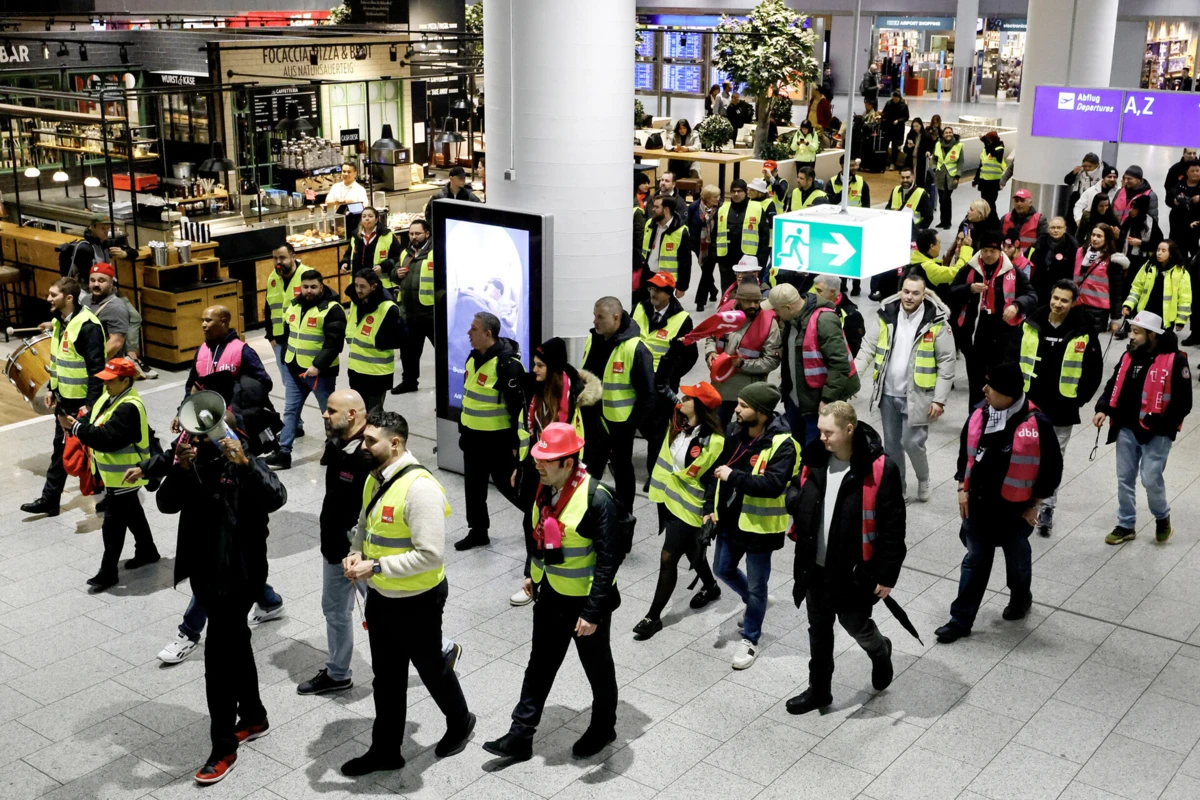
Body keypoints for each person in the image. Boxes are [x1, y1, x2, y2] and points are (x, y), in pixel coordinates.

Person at [340, 411, 475, 776]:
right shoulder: (375, 479)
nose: (363, 446)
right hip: (382, 597)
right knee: (387, 676)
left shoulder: (420, 489)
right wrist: (356, 552)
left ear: (395, 443)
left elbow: (431, 554)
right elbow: (363, 525)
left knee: (431, 668)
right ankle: (386, 749)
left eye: (371, 441)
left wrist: (377, 567)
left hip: (418, 600)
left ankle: (461, 721)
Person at [156, 409, 287, 783]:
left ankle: (223, 746)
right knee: (237, 643)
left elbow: (277, 496)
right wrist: (179, 468)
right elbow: (166, 503)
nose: (196, 440)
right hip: (207, 575)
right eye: (194, 435)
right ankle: (254, 716)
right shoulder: (191, 461)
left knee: (218, 659)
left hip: (241, 575)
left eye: (203, 434)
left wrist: (245, 464)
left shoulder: (243, 458)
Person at [483, 422, 625, 762]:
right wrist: (532, 576)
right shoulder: (543, 490)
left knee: (597, 667)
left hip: (586, 605)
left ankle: (604, 726)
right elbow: (538, 541)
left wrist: (592, 612)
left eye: (548, 460)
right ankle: (520, 735)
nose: (539, 464)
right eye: (538, 458)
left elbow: (608, 561)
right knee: (540, 666)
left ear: (569, 462)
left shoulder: (597, 499)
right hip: (551, 596)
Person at [784, 401, 906, 714]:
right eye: (821, 431)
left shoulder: (879, 469)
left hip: (853, 573)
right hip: (815, 566)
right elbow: (798, 491)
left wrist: (887, 575)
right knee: (819, 632)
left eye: (828, 432)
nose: (821, 437)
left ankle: (880, 651)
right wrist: (795, 502)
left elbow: (893, 527)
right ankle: (819, 690)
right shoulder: (815, 458)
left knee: (857, 626)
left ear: (849, 429)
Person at [935, 361, 1062, 644]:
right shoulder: (980, 415)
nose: (983, 391)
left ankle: (1020, 599)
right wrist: (961, 489)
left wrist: (1035, 504)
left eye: (989, 387)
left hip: (1016, 510)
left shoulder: (1037, 423)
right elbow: (963, 456)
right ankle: (960, 620)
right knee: (975, 562)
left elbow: (1052, 469)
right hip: (979, 506)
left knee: (1017, 561)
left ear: (1007, 393)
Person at [705, 383, 799, 670]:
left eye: (744, 406)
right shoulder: (735, 431)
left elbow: (772, 485)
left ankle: (751, 639)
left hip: (760, 527)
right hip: (730, 520)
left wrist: (733, 476)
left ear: (761, 412)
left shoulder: (784, 445)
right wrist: (709, 507)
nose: (736, 408)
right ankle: (754, 603)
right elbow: (717, 469)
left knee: (758, 586)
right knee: (722, 569)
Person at [509, 338, 600, 606]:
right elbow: (528, 432)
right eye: (534, 364)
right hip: (539, 466)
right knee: (533, 521)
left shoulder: (576, 399)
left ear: (554, 367)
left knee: (550, 524)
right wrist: (521, 466)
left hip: (564, 471)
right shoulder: (534, 392)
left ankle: (541, 580)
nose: (534, 369)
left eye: (540, 365)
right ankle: (535, 579)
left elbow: (588, 442)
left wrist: (573, 475)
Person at [635, 382, 726, 639]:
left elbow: (703, 477)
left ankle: (652, 617)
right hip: (667, 501)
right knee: (692, 551)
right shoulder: (677, 426)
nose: (681, 400)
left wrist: (710, 513)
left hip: (690, 508)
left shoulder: (714, 441)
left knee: (668, 557)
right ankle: (710, 587)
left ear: (699, 406)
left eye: (688, 397)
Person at [58, 357, 158, 590]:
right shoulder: (111, 397)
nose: (105, 385)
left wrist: (76, 428)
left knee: (112, 524)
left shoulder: (129, 407)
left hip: (126, 474)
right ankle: (147, 550)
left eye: (111, 381)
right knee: (132, 511)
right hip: (116, 474)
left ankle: (108, 571)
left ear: (126, 380)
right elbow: (94, 420)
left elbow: (106, 439)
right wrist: (77, 421)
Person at [1013, 280, 1104, 537]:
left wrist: (1078, 400)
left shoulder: (1084, 330)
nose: (1058, 304)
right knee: (1022, 452)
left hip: (1062, 409)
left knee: (1054, 459)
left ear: (1074, 302)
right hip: (1028, 405)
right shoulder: (1032, 322)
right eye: (1055, 298)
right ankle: (1021, 499)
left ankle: (1047, 508)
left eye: (1064, 300)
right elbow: (1013, 355)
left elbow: (1093, 371)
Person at [1093, 311, 1192, 545]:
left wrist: (1162, 424)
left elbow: (1183, 402)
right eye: (1131, 331)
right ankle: (1126, 524)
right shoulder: (1129, 356)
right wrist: (1103, 408)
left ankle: (1162, 517)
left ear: (1152, 335)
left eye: (1137, 332)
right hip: (1126, 427)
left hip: (1157, 432)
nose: (1132, 336)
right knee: (1125, 478)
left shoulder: (1175, 360)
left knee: (1150, 478)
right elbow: (1113, 384)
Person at [854, 273, 956, 501]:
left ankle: (923, 477)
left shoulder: (937, 321)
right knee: (892, 445)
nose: (909, 297)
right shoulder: (886, 314)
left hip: (918, 395)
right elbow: (868, 347)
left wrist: (939, 400)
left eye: (915, 293)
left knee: (912, 443)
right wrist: (853, 378)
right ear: (901, 291)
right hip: (887, 392)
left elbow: (947, 362)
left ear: (924, 294)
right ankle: (897, 486)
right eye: (906, 292)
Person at [21, 277, 106, 518]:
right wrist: (52, 390)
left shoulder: (87, 326)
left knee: (93, 451)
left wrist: (90, 405)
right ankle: (50, 500)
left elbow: (97, 370)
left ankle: (105, 498)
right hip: (65, 401)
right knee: (60, 448)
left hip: (84, 403)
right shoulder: (60, 322)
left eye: (53, 295)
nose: (48, 298)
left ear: (68, 298)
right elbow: (58, 363)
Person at [455, 311, 525, 551]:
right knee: (473, 488)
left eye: (473, 329)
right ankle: (478, 531)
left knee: (509, 487)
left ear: (488, 333)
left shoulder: (508, 366)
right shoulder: (473, 358)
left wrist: (517, 444)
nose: (468, 333)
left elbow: (519, 409)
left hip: (498, 441)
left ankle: (541, 517)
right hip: (472, 437)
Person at [264, 271, 346, 470]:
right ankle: (284, 452)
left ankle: (332, 448)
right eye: (305, 287)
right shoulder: (294, 304)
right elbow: (289, 333)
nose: (308, 291)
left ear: (322, 286)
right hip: (295, 370)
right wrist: (285, 358)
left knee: (328, 413)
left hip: (320, 373)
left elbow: (334, 344)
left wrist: (318, 365)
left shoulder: (333, 309)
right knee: (290, 411)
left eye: (313, 287)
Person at [950, 228, 1038, 409]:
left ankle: (994, 418)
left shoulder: (1012, 271)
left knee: (997, 382)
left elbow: (1031, 295)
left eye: (992, 251)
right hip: (974, 336)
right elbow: (951, 292)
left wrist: (1016, 305)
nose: (988, 255)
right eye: (985, 251)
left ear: (1000, 251)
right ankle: (974, 421)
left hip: (1003, 336)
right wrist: (969, 289)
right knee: (976, 382)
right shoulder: (971, 269)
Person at [582, 297, 655, 513]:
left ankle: (624, 517)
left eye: (600, 317)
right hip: (593, 421)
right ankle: (588, 513)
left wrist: (630, 426)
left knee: (622, 471)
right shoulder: (594, 339)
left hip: (619, 425)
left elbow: (648, 395)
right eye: (595, 316)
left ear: (616, 317)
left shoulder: (636, 348)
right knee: (590, 470)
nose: (595, 321)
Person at [769, 279, 861, 447]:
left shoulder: (824, 320)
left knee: (815, 454)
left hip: (818, 405)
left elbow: (839, 364)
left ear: (788, 308)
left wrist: (827, 400)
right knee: (796, 449)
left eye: (776, 309)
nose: (774, 313)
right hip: (795, 400)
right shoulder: (791, 321)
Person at [633, 272, 697, 482]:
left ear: (670, 293)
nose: (653, 293)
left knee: (658, 433)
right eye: (651, 288)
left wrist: (669, 376)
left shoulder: (682, 320)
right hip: (636, 381)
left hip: (662, 386)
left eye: (658, 290)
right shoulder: (640, 308)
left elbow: (690, 356)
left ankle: (654, 476)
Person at [702, 282, 782, 425]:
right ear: (738, 299)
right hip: (721, 387)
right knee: (716, 428)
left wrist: (743, 364)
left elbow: (772, 361)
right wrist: (710, 352)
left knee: (746, 433)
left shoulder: (769, 323)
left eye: (756, 301)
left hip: (750, 391)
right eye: (747, 301)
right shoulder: (725, 312)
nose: (752, 305)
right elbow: (711, 336)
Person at [346, 269, 405, 412]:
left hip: (377, 373)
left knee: (374, 414)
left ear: (374, 286)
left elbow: (402, 338)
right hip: (356, 369)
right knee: (359, 412)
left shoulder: (388, 308)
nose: (358, 290)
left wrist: (380, 341)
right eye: (356, 285)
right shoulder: (356, 303)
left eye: (362, 286)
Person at [390, 218, 436, 394]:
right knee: (408, 353)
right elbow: (395, 273)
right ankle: (409, 382)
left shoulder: (435, 253)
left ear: (427, 234)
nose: (414, 237)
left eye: (417, 233)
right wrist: (396, 274)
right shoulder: (405, 253)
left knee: (441, 355)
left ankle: (445, 390)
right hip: (409, 312)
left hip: (430, 313)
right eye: (411, 234)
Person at [264, 243, 306, 408]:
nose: (278, 262)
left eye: (282, 258)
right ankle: (297, 422)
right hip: (280, 340)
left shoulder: (306, 276)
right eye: (275, 258)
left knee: (307, 383)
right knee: (288, 383)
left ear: (293, 256)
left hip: (301, 339)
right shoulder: (272, 277)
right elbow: (268, 307)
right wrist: (270, 336)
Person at [1122, 239, 1193, 334]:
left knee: (1160, 344)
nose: (1159, 253)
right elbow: (1136, 288)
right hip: (1145, 312)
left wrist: (1181, 320)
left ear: (1171, 254)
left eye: (1163, 251)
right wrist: (1128, 305)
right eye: (1158, 250)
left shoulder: (1181, 273)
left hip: (1165, 318)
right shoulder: (1148, 266)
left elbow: (1185, 298)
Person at [716, 179, 768, 290]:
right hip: (726, 258)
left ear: (746, 192)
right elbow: (714, 233)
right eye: (733, 191)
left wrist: (761, 260)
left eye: (739, 191)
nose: (736, 194)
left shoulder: (757, 208)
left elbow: (764, 237)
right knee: (727, 289)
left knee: (747, 289)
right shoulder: (722, 209)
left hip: (749, 258)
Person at [340, 206, 403, 292]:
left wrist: (383, 267)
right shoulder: (356, 236)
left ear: (376, 219)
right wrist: (345, 263)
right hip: (359, 285)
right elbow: (348, 254)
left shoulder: (387, 236)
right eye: (364, 216)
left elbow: (398, 257)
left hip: (381, 285)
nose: (367, 219)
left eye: (370, 216)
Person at [641, 194, 692, 293]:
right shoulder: (649, 224)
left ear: (666, 210)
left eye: (656, 207)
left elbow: (685, 262)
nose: (653, 209)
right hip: (648, 275)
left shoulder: (681, 231)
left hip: (666, 280)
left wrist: (682, 287)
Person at [811, 271, 867, 357]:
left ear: (832, 292)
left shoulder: (851, 315)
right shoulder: (812, 306)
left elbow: (854, 349)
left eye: (819, 291)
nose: (816, 294)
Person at [82, 262, 130, 359]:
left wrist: (94, 362)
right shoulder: (86, 299)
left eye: (101, 281)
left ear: (111, 283)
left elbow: (116, 343)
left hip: (104, 365)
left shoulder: (116, 307)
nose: (96, 284)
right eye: (92, 280)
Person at [1028, 216, 1078, 302]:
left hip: (1061, 289)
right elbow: (1029, 259)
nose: (1056, 230)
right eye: (1053, 227)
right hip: (1039, 286)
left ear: (1064, 229)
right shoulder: (1040, 242)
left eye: (1059, 228)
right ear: (1048, 229)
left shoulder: (1072, 245)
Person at [688, 184, 721, 311]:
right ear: (706, 198)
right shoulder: (694, 207)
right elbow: (689, 223)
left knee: (707, 271)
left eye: (718, 196)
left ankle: (700, 301)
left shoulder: (721, 207)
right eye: (714, 197)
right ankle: (713, 290)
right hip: (699, 244)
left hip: (713, 244)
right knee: (705, 270)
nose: (717, 199)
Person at [1062, 153, 1107, 234]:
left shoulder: (1104, 171)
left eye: (1090, 166)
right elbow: (1067, 181)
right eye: (1085, 166)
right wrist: (1074, 173)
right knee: (1074, 226)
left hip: (1096, 202)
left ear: (1097, 165)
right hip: (1080, 200)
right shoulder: (1080, 171)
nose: (1087, 168)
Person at [1166, 161, 1200, 258]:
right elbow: (1168, 199)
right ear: (1187, 172)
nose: (1195, 173)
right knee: (1177, 253)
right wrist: (1175, 201)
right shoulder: (1179, 185)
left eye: (1197, 171)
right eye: (1192, 171)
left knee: (1195, 254)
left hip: (1196, 227)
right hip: (1178, 226)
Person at [974, 132, 1007, 226]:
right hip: (984, 181)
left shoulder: (999, 148)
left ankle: (995, 223)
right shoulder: (986, 149)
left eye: (988, 139)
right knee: (984, 204)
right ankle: (986, 222)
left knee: (990, 204)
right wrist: (976, 179)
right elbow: (981, 165)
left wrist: (985, 141)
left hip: (993, 182)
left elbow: (994, 153)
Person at [1001, 189, 1049, 254]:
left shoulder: (1040, 220)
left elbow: (1043, 245)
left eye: (1022, 201)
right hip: (1008, 260)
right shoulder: (1005, 218)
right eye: (1016, 201)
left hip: (1030, 261)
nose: (1019, 204)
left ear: (1030, 203)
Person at [888, 166, 932, 233]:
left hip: (913, 230)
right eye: (903, 178)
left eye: (908, 177)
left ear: (913, 178)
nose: (905, 180)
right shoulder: (895, 190)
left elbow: (929, 217)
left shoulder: (921, 193)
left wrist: (918, 230)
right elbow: (888, 208)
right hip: (895, 228)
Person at [881, 90, 909, 168]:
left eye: (896, 98)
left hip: (898, 129)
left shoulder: (904, 106)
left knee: (895, 146)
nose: (895, 99)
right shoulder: (889, 103)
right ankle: (885, 161)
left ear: (899, 98)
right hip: (888, 128)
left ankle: (893, 162)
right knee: (884, 145)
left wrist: (898, 120)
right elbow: (884, 113)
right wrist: (881, 116)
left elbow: (906, 117)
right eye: (893, 98)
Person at [902, 118, 932, 186]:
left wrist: (928, 152)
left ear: (921, 125)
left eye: (917, 126)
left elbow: (930, 148)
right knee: (910, 177)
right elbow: (905, 149)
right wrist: (908, 147)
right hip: (910, 159)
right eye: (913, 126)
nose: (915, 128)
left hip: (921, 160)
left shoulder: (926, 136)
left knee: (919, 178)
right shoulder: (910, 135)